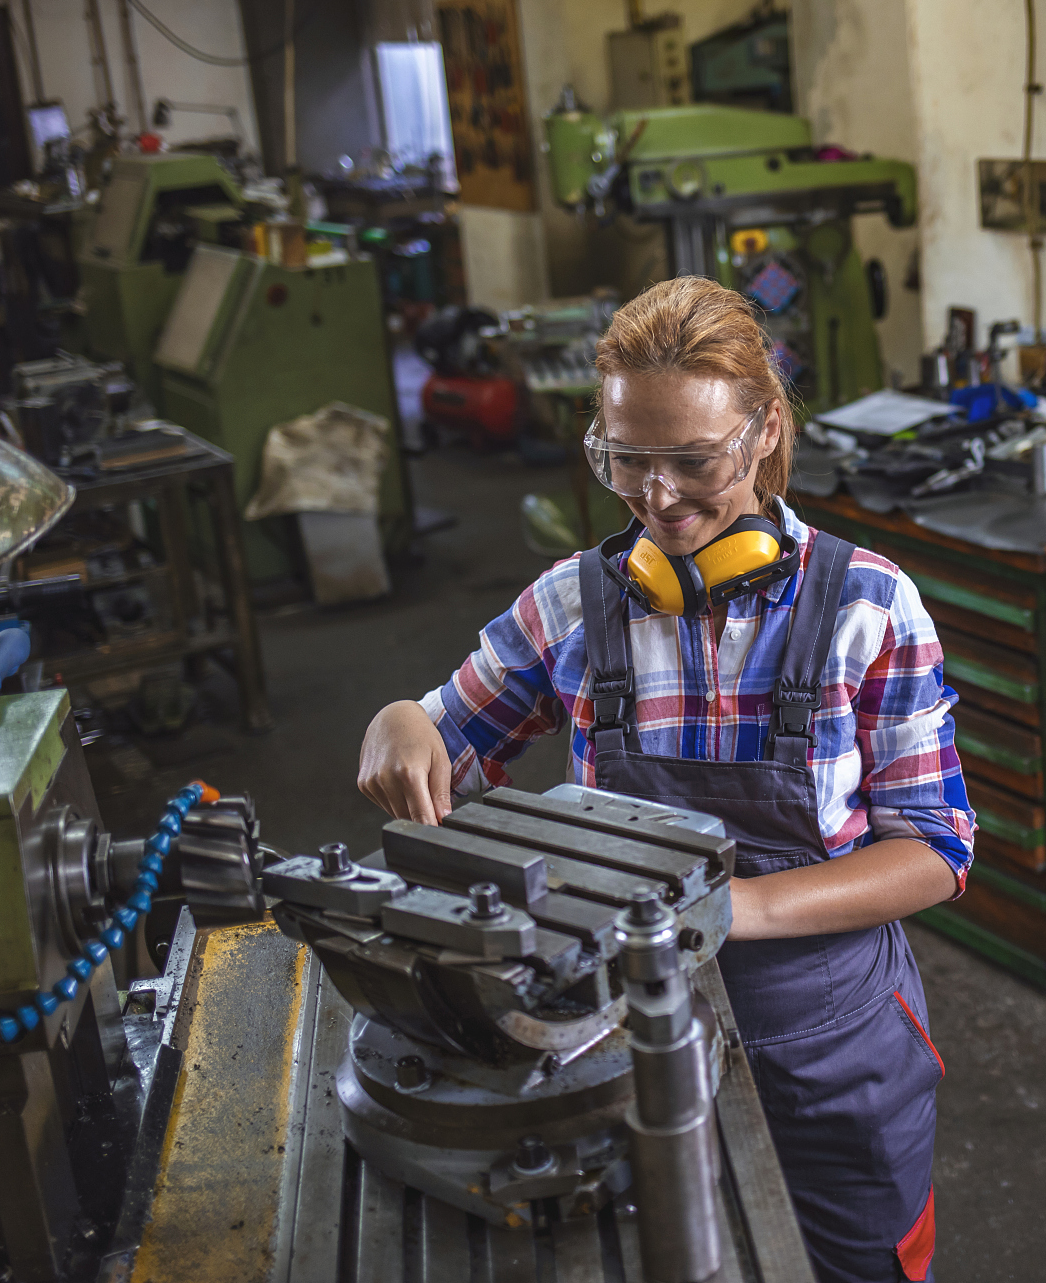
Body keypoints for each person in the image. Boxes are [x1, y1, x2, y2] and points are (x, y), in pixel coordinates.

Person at [357, 276, 975, 1281]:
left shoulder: (868, 606)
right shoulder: (572, 605)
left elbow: (934, 851)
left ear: (765, 431)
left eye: (692, 461)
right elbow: (442, 733)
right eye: (625, 460)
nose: (657, 498)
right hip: (609, 1041)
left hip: (828, 1044)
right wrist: (401, 722)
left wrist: (728, 910)